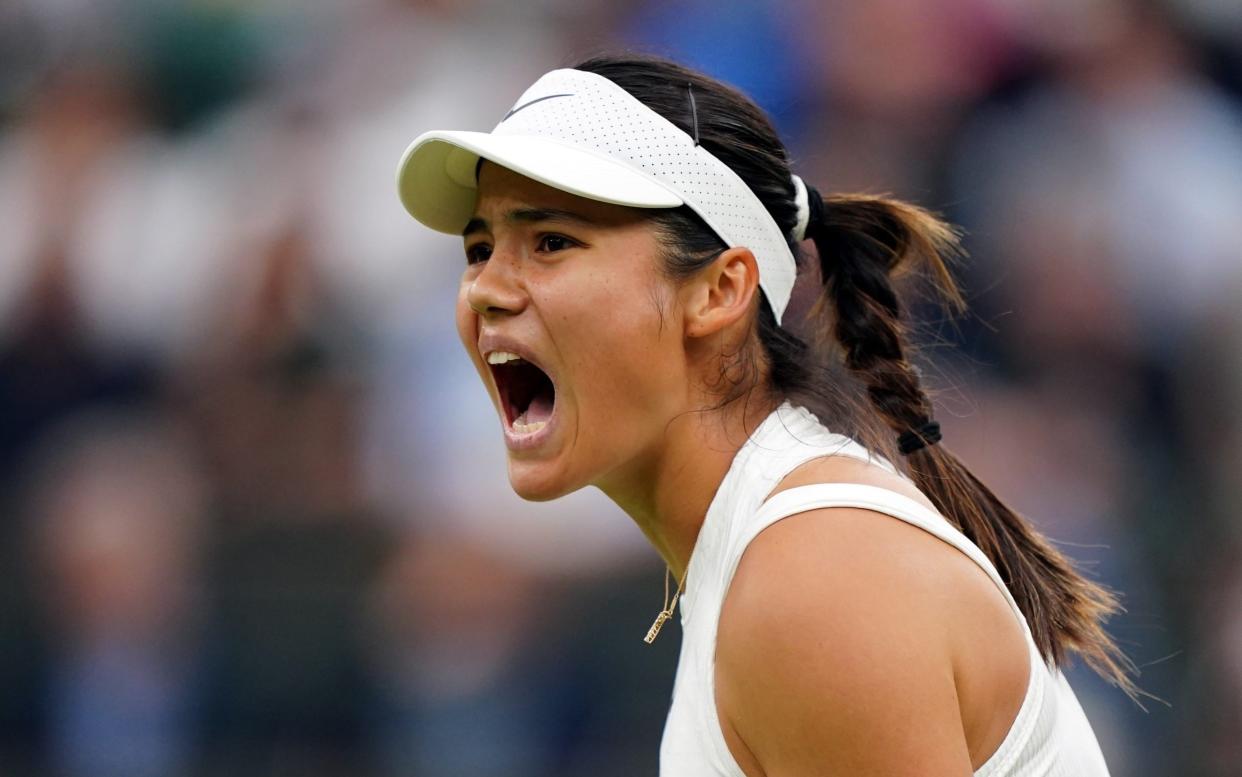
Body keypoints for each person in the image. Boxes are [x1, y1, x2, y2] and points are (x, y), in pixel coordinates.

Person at [394, 54, 1140, 776]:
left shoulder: (813, 577)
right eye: (480, 248)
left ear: (719, 292)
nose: (487, 288)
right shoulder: (777, 549)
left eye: (552, 242)